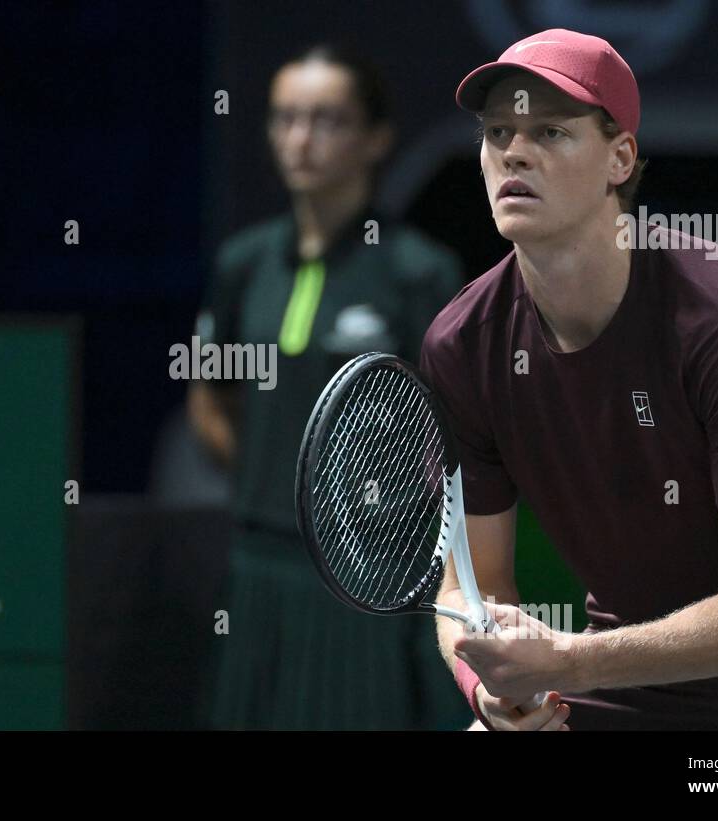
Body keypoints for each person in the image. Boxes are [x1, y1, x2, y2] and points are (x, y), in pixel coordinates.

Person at [424, 28, 718, 731]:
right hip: (641, 648)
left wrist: (569, 660)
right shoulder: (461, 346)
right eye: (498, 131)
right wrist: (488, 687)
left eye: (549, 130)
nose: (513, 151)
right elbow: (468, 589)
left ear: (619, 158)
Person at [192, 45, 466, 729]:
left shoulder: (419, 272)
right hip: (255, 566)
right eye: (285, 118)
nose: (301, 138)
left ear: (376, 138)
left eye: (326, 119)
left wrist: (362, 514)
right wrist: (274, 480)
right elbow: (209, 394)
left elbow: (455, 430)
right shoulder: (242, 264)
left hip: (367, 580)